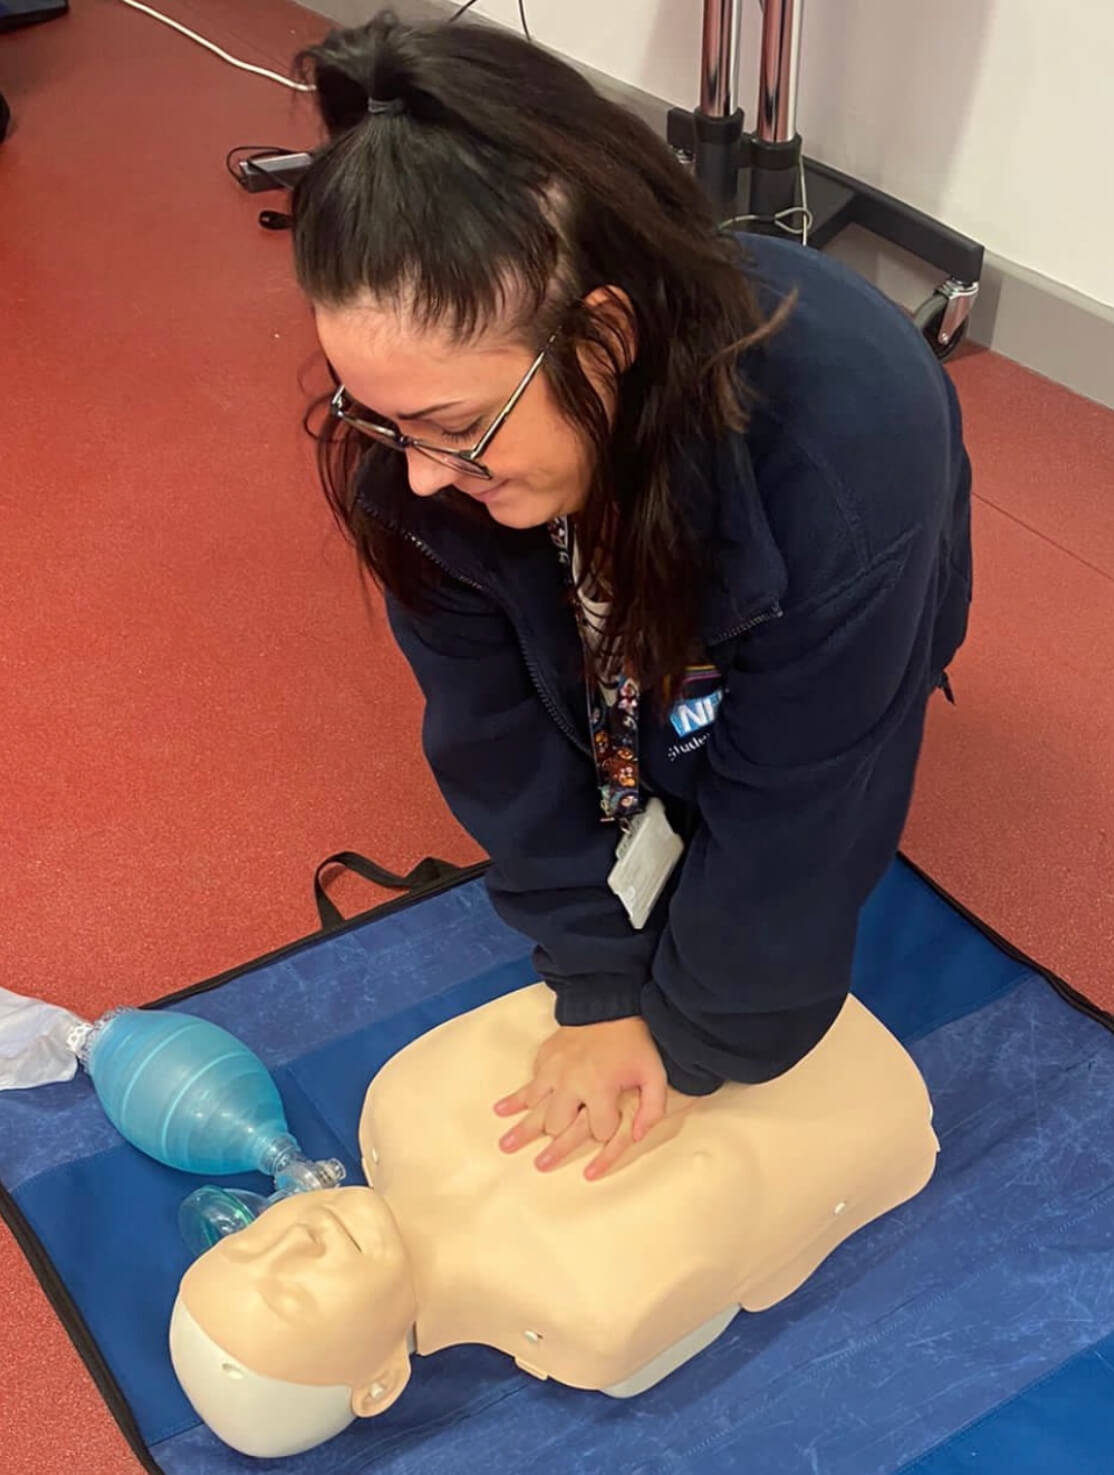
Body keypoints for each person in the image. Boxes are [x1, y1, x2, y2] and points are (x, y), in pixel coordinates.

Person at [291, 13, 972, 1181]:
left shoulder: (848, 455)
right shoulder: (420, 448)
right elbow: (491, 733)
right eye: (383, 419)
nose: (414, 472)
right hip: (643, 620)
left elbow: (800, 814)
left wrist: (685, 1040)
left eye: (454, 427)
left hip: (845, 601)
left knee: (748, 1010)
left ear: (603, 335)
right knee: (639, 787)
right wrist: (598, 984)